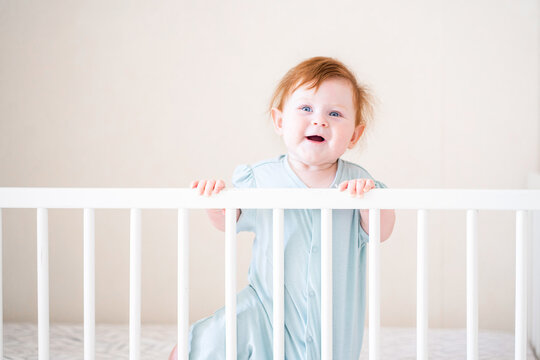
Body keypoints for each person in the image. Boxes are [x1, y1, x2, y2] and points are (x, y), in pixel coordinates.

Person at [169, 56, 396, 359]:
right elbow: (229, 221)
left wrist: (370, 202)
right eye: (305, 109)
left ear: (354, 134)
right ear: (279, 121)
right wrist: (216, 201)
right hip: (266, 307)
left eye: (335, 113)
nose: (319, 120)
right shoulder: (260, 178)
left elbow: (381, 232)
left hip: (333, 319)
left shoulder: (358, 184)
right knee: (208, 341)